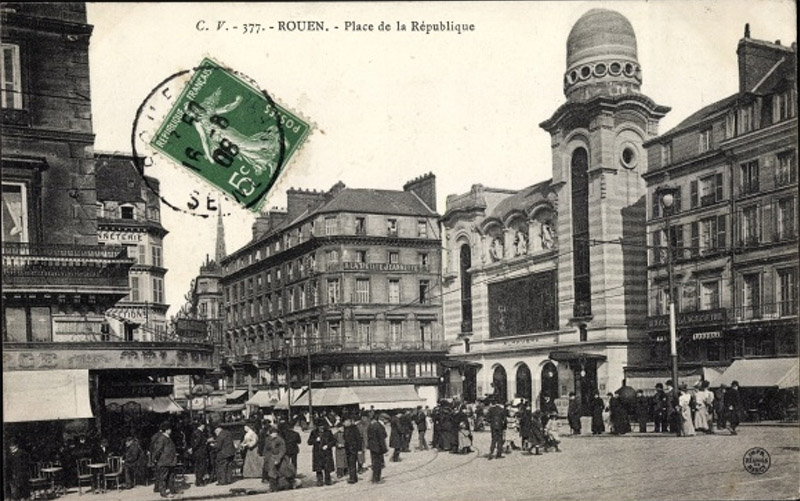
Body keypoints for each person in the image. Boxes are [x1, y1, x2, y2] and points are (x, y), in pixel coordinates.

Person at [150, 421, 178, 498]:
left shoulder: (168, 438)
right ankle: (163, 492)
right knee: (163, 477)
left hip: (170, 461)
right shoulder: (162, 438)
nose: (171, 431)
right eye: (170, 429)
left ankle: (172, 490)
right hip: (164, 461)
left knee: (171, 477)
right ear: (166, 430)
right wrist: (154, 459)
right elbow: (158, 450)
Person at [308, 418, 336, 486]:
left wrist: (328, 445)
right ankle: (319, 480)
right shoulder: (313, 432)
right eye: (320, 426)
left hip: (326, 452)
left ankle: (328, 480)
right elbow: (309, 442)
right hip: (317, 452)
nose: (321, 428)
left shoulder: (328, 432)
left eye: (322, 426)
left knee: (327, 467)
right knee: (318, 468)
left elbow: (333, 441)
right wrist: (315, 440)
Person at [262, 427, 287, 492]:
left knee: (276, 473)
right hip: (269, 458)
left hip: (277, 457)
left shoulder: (280, 440)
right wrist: (264, 456)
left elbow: (282, 450)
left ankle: (276, 487)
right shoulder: (267, 439)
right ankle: (272, 487)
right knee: (271, 472)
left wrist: (278, 458)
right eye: (273, 433)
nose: (274, 434)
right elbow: (265, 449)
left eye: (275, 433)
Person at [367, 414, 389, 483]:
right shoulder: (379, 426)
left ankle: (375, 478)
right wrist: (385, 450)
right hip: (378, 448)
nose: (387, 422)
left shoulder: (373, 425)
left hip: (373, 447)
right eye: (386, 420)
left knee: (375, 463)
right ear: (383, 419)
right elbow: (381, 439)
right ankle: (376, 479)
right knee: (378, 464)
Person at [343, 414, 363, 484]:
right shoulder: (345, 429)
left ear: (349, 421)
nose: (344, 423)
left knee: (352, 463)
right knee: (350, 463)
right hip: (348, 449)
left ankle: (352, 478)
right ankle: (354, 477)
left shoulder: (354, 428)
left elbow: (359, 439)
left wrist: (359, 449)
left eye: (345, 422)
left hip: (353, 448)